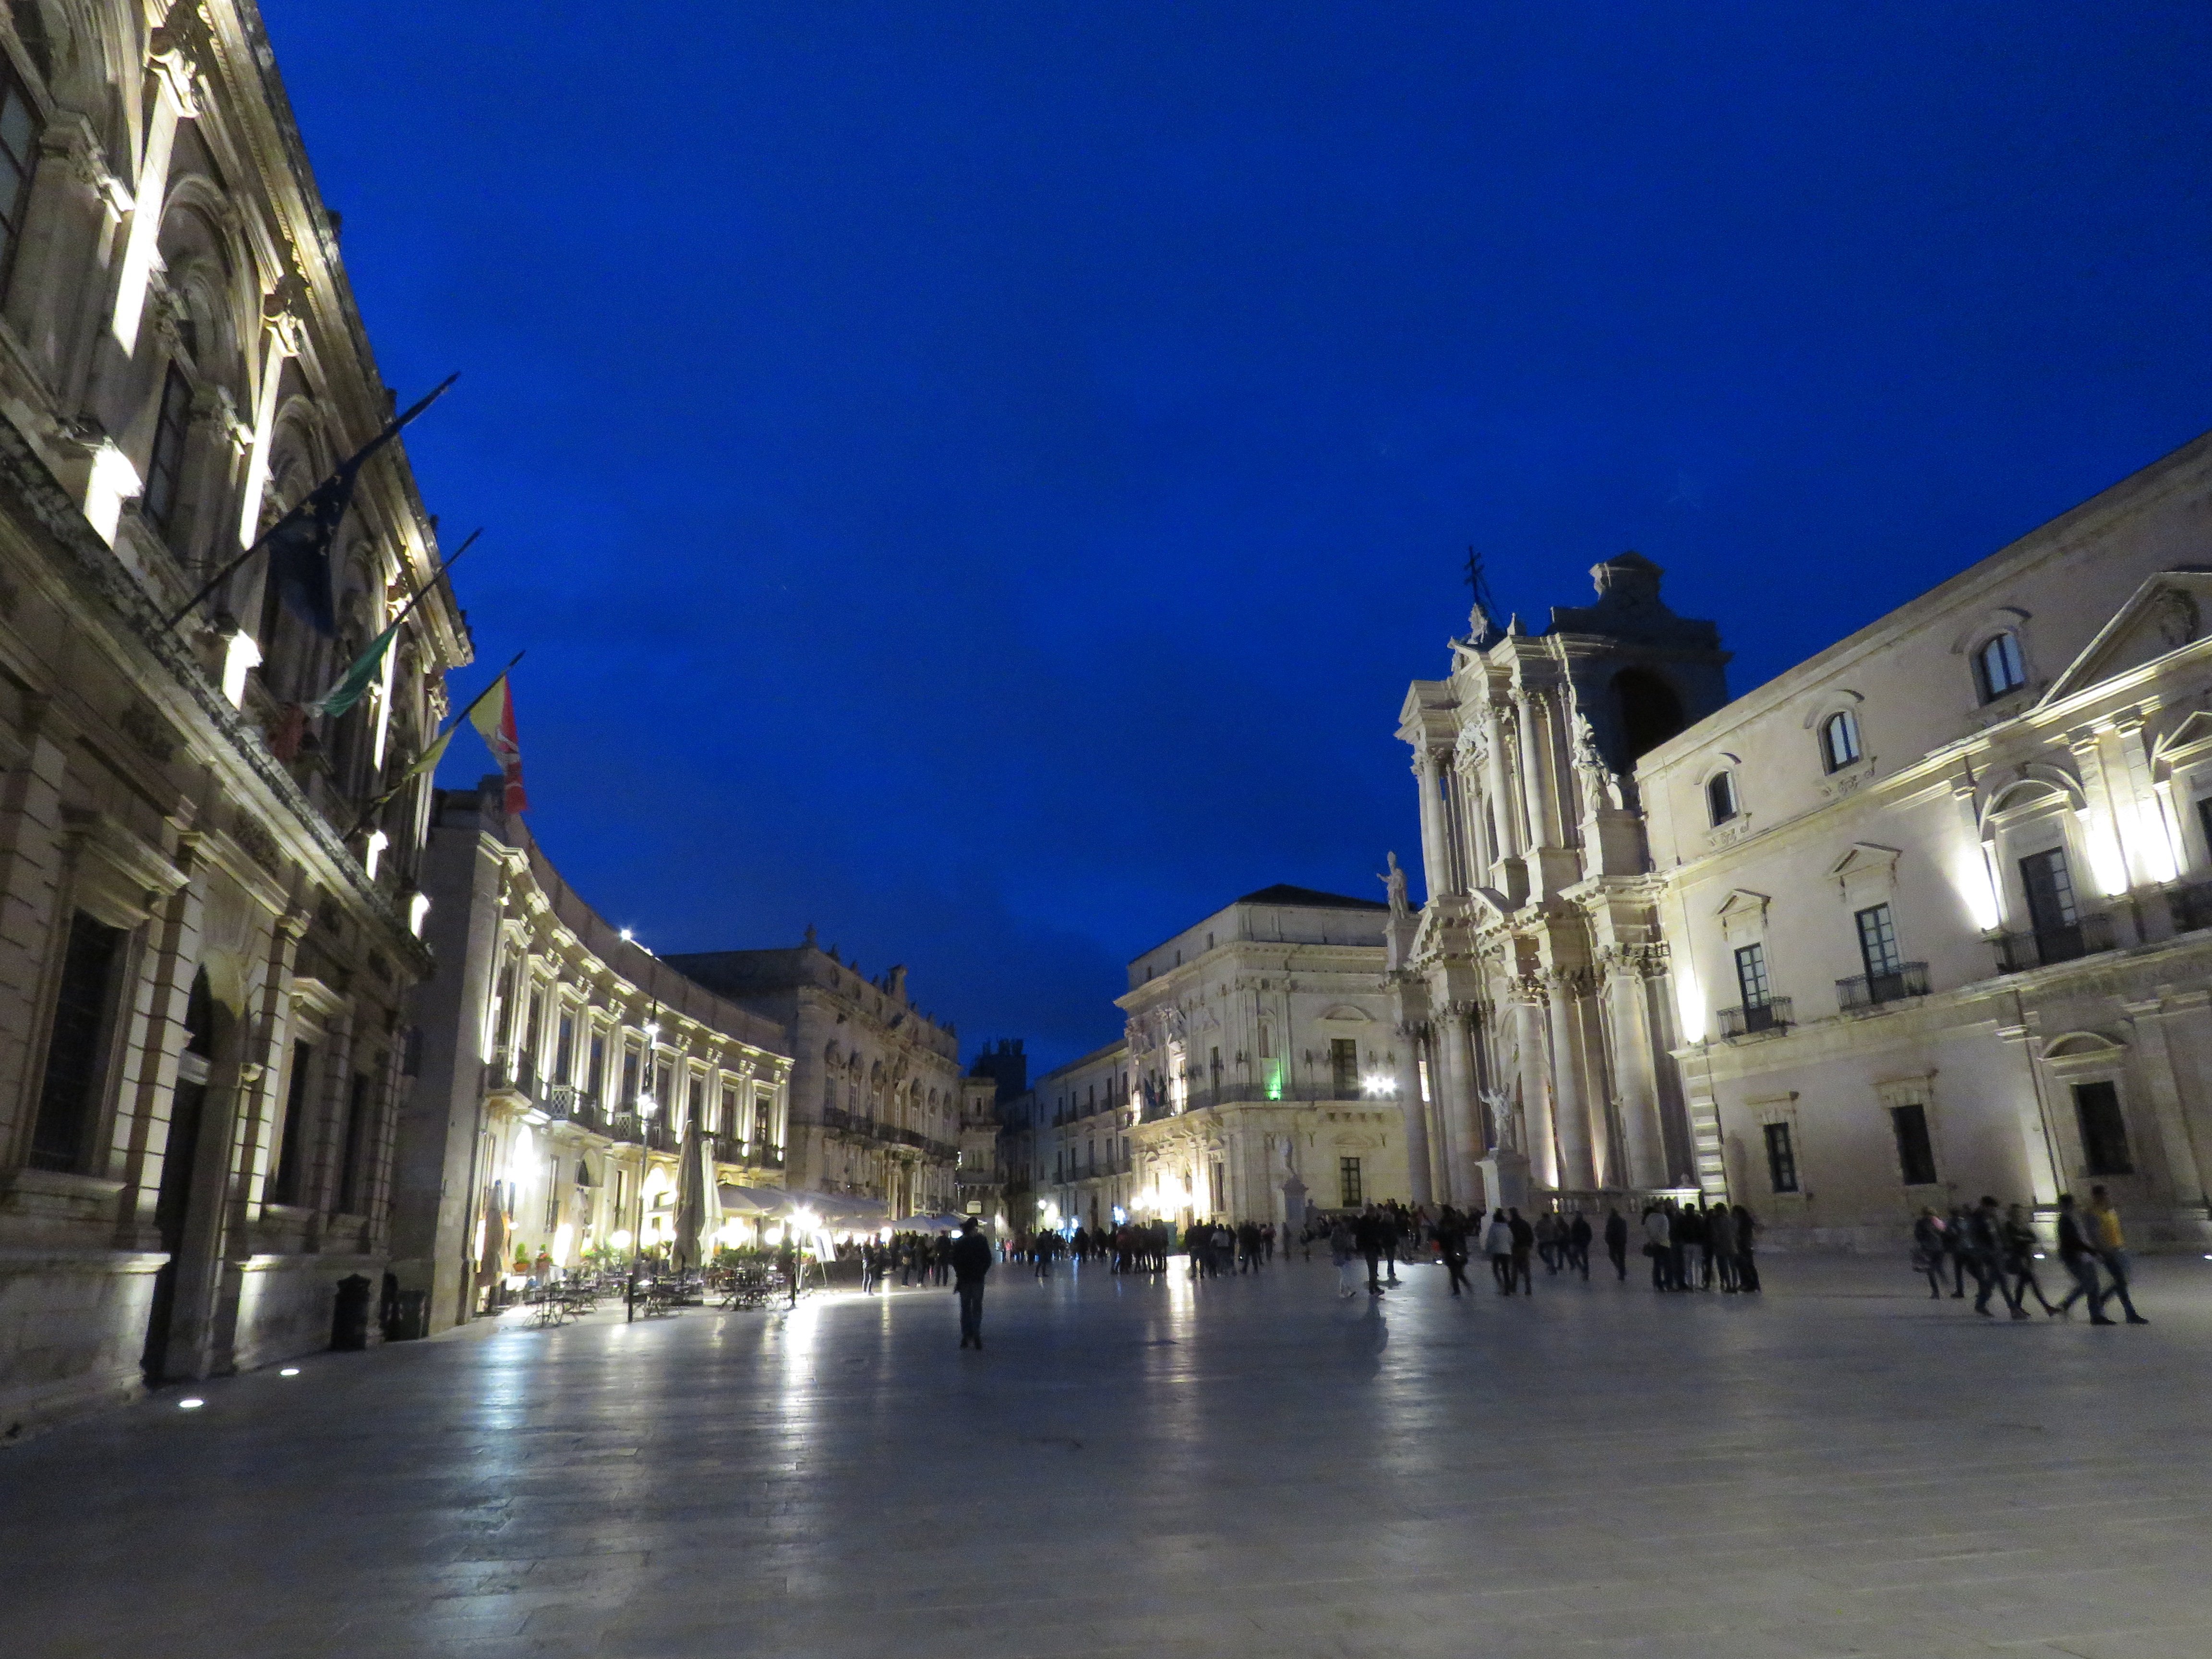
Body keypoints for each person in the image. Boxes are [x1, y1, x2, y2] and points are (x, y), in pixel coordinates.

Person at [2086, 1185, 2149, 1324]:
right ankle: (2130, 1313)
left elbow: (2116, 1228)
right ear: (2096, 1196)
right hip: (2107, 1251)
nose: (2106, 1197)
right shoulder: (2092, 1212)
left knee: (2123, 1280)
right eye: (2103, 1195)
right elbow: (2094, 1234)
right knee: (2121, 1280)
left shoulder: (2110, 1210)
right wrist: (2102, 1250)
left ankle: (2103, 1300)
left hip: (2118, 1248)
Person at [2052, 1193, 2109, 1322]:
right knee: (2090, 1285)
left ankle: (2090, 1313)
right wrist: (2092, 1251)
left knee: (2091, 1284)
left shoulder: (2071, 1219)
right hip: (2076, 1257)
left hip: (2081, 1256)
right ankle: (2095, 1316)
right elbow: (2073, 1241)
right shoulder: (2066, 1221)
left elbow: (2079, 1239)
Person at [2001, 1202, 2056, 1317]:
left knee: (2023, 1283)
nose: (2018, 1215)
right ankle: (2045, 1306)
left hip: (2025, 1258)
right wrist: (2023, 1239)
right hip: (2016, 1258)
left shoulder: (2023, 1226)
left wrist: (2022, 1239)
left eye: (2019, 1212)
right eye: (2016, 1213)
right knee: (2029, 1281)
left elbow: (2033, 1238)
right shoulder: (2009, 1226)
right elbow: (2012, 1240)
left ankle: (2018, 1307)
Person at [951, 1217, 993, 1349]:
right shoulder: (981, 1241)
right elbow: (988, 1259)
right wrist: (982, 1271)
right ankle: (976, 1333)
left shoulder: (960, 1243)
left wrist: (960, 1273)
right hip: (977, 1279)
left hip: (964, 1280)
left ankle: (966, 1334)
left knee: (965, 1308)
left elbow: (955, 1261)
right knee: (976, 1307)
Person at [1910, 1208, 1946, 1300]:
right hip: (1940, 1247)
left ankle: (1936, 1292)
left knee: (1930, 1271)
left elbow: (1918, 1235)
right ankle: (1946, 1282)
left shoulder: (1921, 1222)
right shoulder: (1938, 1221)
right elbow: (1944, 1233)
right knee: (1939, 1267)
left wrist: (1923, 1242)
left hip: (1928, 1248)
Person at [1436, 1207, 1472, 1297]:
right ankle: (1461, 1287)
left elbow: (1441, 1238)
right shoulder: (1456, 1225)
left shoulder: (1444, 1225)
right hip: (1456, 1251)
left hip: (1450, 1251)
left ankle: (1457, 1289)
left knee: (1454, 1271)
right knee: (1457, 1271)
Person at [1354, 1206, 1386, 1295]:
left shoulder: (1376, 1221)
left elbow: (1379, 1233)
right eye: (1371, 1212)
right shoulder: (1363, 1222)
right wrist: (1359, 1248)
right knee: (1372, 1267)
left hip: (1375, 1246)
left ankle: (1373, 1286)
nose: (1373, 1214)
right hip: (1368, 1246)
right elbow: (1360, 1235)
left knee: (1374, 1268)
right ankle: (1373, 1286)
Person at [1484, 1209, 1515, 1294]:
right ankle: (1507, 1287)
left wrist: (1487, 1250)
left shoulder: (1493, 1227)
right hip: (1506, 1251)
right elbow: (1511, 1240)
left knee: (1495, 1269)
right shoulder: (1507, 1228)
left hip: (1497, 1251)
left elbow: (1490, 1240)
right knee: (1506, 1270)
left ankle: (1501, 1285)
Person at [1642, 1204, 1672, 1291]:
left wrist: (1653, 1240)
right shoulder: (1663, 1218)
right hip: (1664, 1244)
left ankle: (1658, 1284)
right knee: (1668, 1265)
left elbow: (1647, 1230)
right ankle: (1669, 1284)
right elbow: (1665, 1232)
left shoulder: (1649, 1218)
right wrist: (1661, 1240)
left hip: (1654, 1244)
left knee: (1657, 1265)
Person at [1731, 1204, 1761, 1293]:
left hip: (1743, 1246)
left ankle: (1749, 1284)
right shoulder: (1746, 1221)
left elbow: (1742, 1234)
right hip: (1745, 1245)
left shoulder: (1743, 1222)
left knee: (1745, 1265)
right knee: (1747, 1265)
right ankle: (1751, 1283)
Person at [1330, 1217, 1361, 1299]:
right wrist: (1339, 1248)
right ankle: (1349, 1290)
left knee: (1345, 1274)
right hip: (1339, 1253)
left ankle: (1343, 1292)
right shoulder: (1336, 1231)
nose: (1347, 1225)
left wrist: (1352, 1249)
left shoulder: (1348, 1232)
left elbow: (1349, 1242)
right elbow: (1333, 1242)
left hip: (1347, 1253)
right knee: (1344, 1273)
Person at [1507, 1207, 1535, 1295]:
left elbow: (1508, 1237)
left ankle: (1514, 1287)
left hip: (1515, 1248)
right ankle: (1528, 1288)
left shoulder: (1510, 1224)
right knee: (1526, 1268)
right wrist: (1529, 1245)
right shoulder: (1524, 1223)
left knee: (1514, 1268)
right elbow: (1530, 1235)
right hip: (1525, 1248)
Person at [1604, 1207, 1629, 1281]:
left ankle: (1621, 1269)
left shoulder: (1611, 1221)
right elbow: (1625, 1232)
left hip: (1613, 1242)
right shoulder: (1623, 1221)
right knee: (1622, 1259)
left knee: (1612, 1256)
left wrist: (1608, 1240)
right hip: (1621, 1242)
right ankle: (1622, 1273)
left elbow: (1609, 1231)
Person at [1568, 1211, 1593, 1280]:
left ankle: (1583, 1270)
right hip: (1583, 1244)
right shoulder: (1585, 1224)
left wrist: (1572, 1241)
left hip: (1577, 1244)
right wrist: (1587, 1242)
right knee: (1585, 1259)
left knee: (1575, 1257)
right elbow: (1590, 1235)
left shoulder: (1575, 1224)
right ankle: (1586, 1273)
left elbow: (1572, 1234)